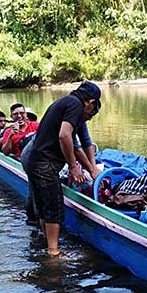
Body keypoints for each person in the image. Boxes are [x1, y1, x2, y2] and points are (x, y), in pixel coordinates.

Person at [24, 80, 101, 256]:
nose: (88, 116)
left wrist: (91, 168)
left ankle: (48, 245)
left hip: (36, 161)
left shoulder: (64, 102)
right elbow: (65, 135)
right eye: (92, 110)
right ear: (90, 102)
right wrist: (74, 167)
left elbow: (82, 142)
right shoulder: (75, 105)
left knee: (44, 208)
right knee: (54, 208)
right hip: (46, 163)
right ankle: (54, 252)